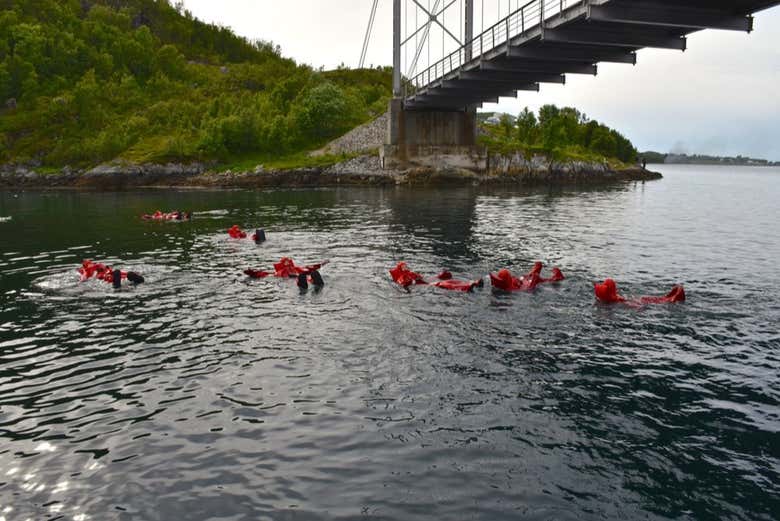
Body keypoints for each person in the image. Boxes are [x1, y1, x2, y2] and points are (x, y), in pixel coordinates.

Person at [594, 278, 685, 305]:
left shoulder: (613, 301)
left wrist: (638, 308)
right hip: (635, 300)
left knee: (656, 301)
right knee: (654, 299)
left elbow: (630, 305)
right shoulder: (615, 297)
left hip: (635, 302)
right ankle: (670, 297)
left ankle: (671, 299)